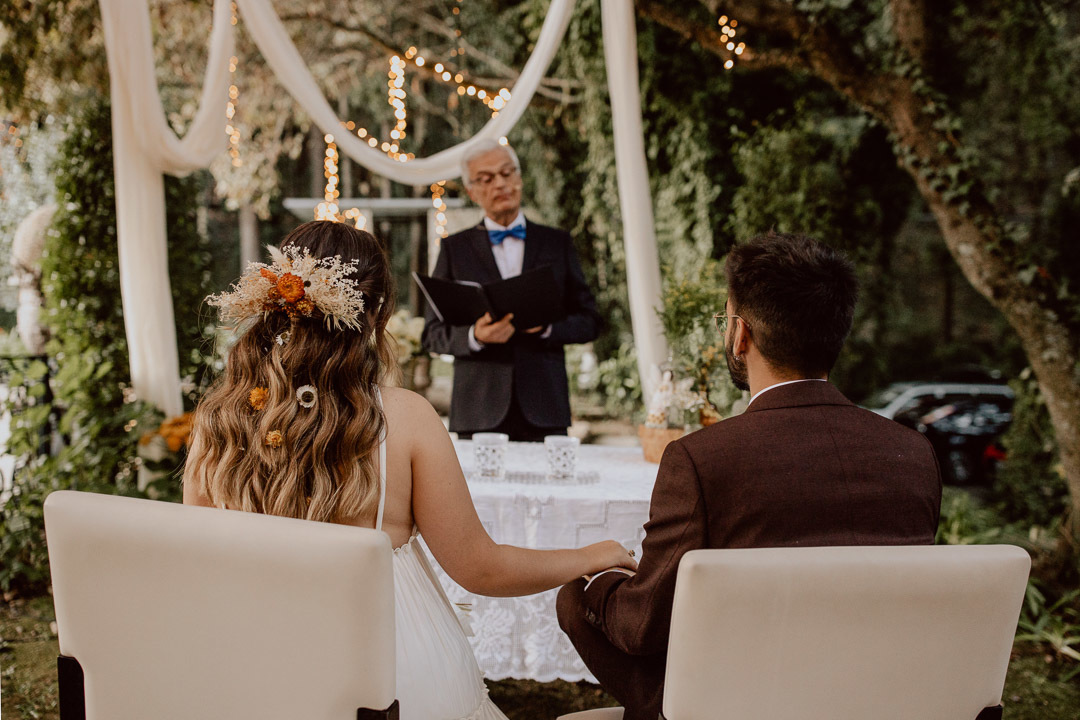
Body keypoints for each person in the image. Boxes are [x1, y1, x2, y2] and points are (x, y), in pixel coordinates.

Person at [183, 221, 636, 720]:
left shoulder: (218, 418)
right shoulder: (406, 418)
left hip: (254, 667)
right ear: (377, 314)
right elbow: (480, 568)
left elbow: (202, 561)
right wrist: (591, 553)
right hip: (393, 670)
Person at [556, 232, 942, 720]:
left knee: (574, 599)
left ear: (740, 334)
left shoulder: (701, 459)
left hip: (735, 704)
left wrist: (597, 582)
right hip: (871, 699)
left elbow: (641, 626)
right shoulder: (914, 454)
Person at [421, 139, 601, 441]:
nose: (501, 184)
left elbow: (591, 321)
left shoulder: (557, 243)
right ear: (472, 191)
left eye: (507, 173)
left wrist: (546, 328)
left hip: (545, 408)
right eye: (487, 179)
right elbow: (432, 334)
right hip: (477, 410)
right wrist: (475, 336)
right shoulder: (455, 249)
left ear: (518, 178)